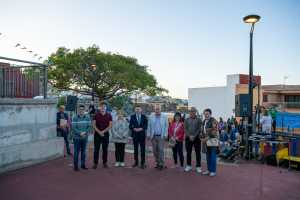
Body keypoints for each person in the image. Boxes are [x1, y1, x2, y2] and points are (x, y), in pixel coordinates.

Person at [148, 105, 169, 170]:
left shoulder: (164, 116)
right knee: (155, 151)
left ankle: (161, 164)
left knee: (161, 150)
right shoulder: (151, 116)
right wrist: (148, 134)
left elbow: (166, 126)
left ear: (160, 110)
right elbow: (149, 126)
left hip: (161, 136)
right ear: (154, 110)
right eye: (156, 109)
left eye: (158, 109)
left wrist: (166, 134)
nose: (157, 110)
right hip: (153, 136)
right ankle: (157, 162)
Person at [92, 102, 112, 169]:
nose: (103, 108)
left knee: (105, 149)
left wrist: (103, 131)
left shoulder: (109, 115)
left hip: (105, 134)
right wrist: (99, 132)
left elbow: (110, 126)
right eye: (102, 107)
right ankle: (95, 163)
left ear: (106, 107)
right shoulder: (96, 115)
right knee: (96, 149)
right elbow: (94, 125)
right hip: (97, 135)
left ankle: (105, 163)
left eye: (104, 107)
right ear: (99, 107)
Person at [72, 105, 91, 171]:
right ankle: (76, 166)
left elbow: (89, 127)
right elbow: (74, 128)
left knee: (83, 152)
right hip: (76, 138)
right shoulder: (75, 117)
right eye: (80, 109)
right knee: (76, 152)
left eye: (82, 109)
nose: (81, 111)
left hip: (84, 138)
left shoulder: (87, 117)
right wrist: (80, 133)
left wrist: (84, 133)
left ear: (84, 110)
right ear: (78, 110)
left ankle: (83, 165)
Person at [184, 107, 202, 173]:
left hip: (197, 138)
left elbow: (199, 129)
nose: (192, 112)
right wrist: (189, 136)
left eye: (194, 111)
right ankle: (188, 165)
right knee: (188, 152)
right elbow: (185, 129)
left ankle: (198, 166)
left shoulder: (199, 120)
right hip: (188, 138)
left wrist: (194, 136)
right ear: (189, 112)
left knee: (198, 153)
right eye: (191, 111)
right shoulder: (186, 120)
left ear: (195, 112)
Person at [201, 108, 218, 177]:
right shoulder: (204, 121)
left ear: (210, 114)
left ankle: (213, 171)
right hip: (205, 141)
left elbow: (214, 130)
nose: (206, 115)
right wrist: (201, 138)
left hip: (212, 141)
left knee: (213, 156)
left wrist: (206, 138)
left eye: (207, 114)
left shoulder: (213, 120)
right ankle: (208, 170)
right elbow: (202, 130)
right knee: (207, 156)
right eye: (205, 114)